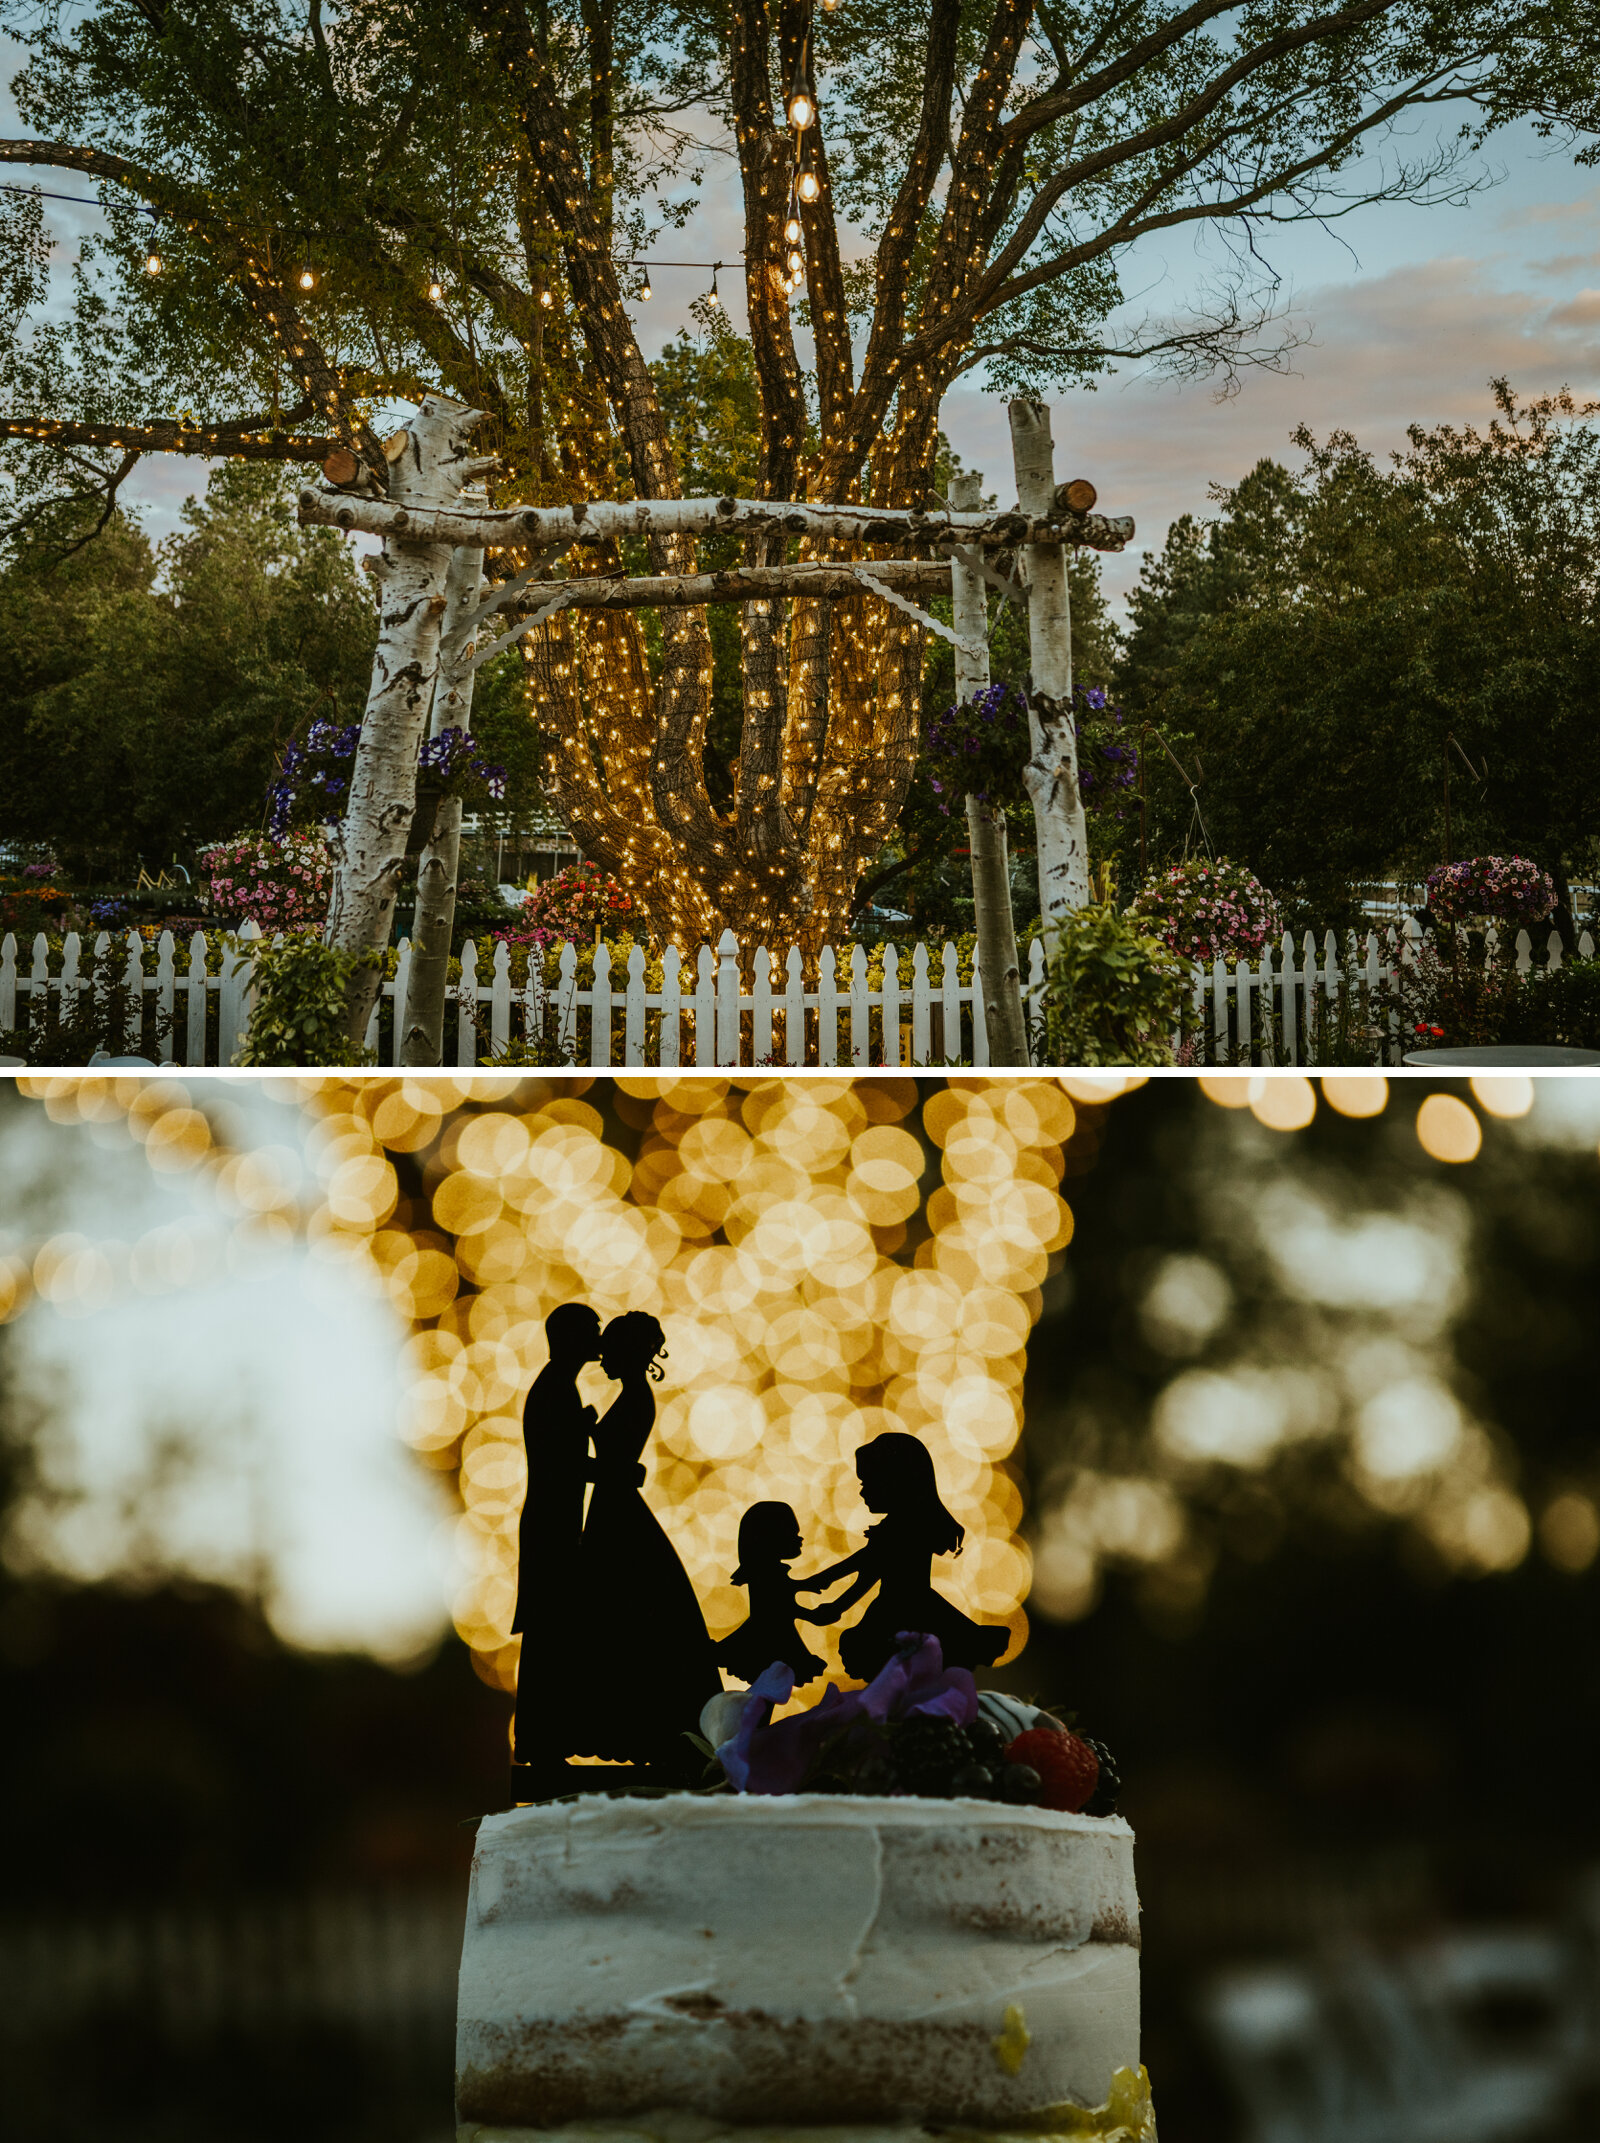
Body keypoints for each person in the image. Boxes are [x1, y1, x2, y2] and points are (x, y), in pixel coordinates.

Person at [568, 1311, 721, 1765]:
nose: (601, 1359)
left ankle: (644, 1729)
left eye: (609, 1349)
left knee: (626, 1615)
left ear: (629, 1352)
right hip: (613, 1512)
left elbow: (619, 1466)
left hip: (617, 1517)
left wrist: (575, 1455)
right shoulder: (632, 1395)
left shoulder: (636, 1397)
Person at [795, 1432, 1007, 1683]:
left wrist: (835, 1601)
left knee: (898, 1667)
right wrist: (823, 1587)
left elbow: (868, 1569)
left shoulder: (903, 1530)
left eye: (868, 1482)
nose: (862, 1491)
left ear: (896, 1481)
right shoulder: (906, 1527)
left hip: (901, 1611)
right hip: (914, 1606)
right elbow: (866, 1564)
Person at [511, 1301, 602, 1765]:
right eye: (593, 1330)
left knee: (555, 1632)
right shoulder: (555, 1390)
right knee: (551, 1631)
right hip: (552, 1526)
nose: (599, 1338)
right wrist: (615, 1469)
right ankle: (541, 1742)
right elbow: (560, 1465)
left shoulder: (559, 1387)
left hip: (555, 1521)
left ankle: (545, 1739)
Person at [716, 1501, 830, 1686]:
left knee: (768, 1685)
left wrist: (807, 1587)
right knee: (768, 1683)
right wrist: (811, 1615)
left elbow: (783, 1597)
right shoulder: (767, 1574)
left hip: (773, 1633)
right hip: (772, 1636)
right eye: (793, 1533)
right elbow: (780, 1606)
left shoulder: (769, 1572)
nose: (800, 1539)